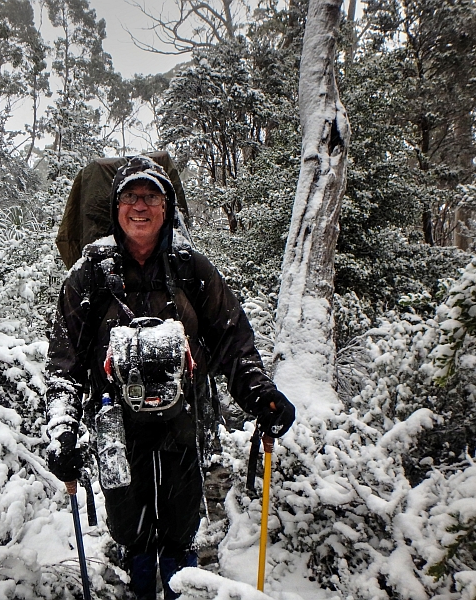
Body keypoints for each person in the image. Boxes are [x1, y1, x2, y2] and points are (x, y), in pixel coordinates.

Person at [45, 155, 296, 599]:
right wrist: (63, 431)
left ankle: (181, 586)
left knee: (180, 524)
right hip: (114, 425)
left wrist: (261, 395)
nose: (139, 206)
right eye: (129, 196)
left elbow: (231, 339)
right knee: (130, 527)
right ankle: (142, 585)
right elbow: (65, 363)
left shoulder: (191, 269)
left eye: (151, 196)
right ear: (116, 205)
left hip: (184, 419)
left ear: (167, 206)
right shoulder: (89, 275)